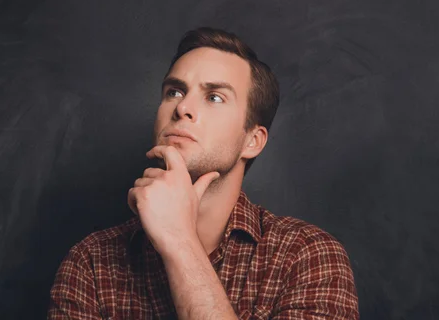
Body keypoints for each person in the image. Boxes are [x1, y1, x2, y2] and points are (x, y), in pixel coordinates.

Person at [47, 27, 359, 319]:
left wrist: (179, 240)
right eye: (174, 91)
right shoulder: (91, 262)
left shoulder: (307, 256)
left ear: (252, 140)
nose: (182, 108)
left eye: (214, 97)